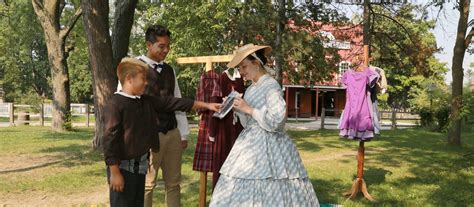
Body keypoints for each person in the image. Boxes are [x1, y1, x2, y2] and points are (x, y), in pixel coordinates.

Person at [209, 44, 319, 206]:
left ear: (257, 63)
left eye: (244, 66)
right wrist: (237, 108)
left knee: (272, 180)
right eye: (240, 67)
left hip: (270, 143)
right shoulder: (251, 88)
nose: (242, 71)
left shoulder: (271, 85)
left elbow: (277, 121)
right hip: (250, 142)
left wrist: (249, 108)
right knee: (241, 178)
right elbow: (249, 122)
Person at [104, 58, 220, 207]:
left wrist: (207, 105)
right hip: (122, 169)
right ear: (129, 79)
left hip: (140, 168)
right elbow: (109, 139)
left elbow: (172, 102)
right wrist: (114, 172)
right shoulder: (114, 104)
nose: (146, 83)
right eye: (143, 78)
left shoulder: (145, 101)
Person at [138, 25, 189, 207]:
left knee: (174, 184)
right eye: (161, 46)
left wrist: (183, 134)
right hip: (149, 136)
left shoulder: (169, 70)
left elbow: (178, 100)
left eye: (168, 46)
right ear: (149, 45)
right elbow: (125, 103)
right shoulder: (135, 66)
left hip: (172, 133)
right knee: (147, 184)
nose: (166, 50)